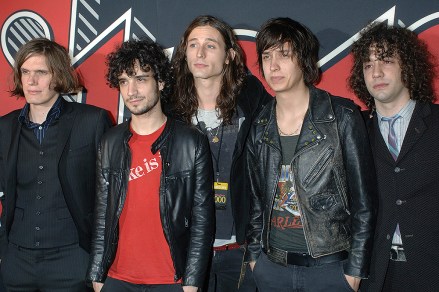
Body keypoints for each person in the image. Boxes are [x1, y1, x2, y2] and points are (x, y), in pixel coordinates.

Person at [244, 17, 377, 292]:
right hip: (272, 269)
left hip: (330, 270)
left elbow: (365, 203)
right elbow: (256, 202)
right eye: (267, 56)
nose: (273, 65)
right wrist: (255, 258)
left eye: (284, 54)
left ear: (303, 60)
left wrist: (353, 272)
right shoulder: (259, 125)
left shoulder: (341, 116)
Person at [86, 39, 215, 292]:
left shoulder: (191, 142)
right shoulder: (110, 142)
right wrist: (97, 276)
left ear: (161, 82)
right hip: (116, 279)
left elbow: (202, 221)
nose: (131, 90)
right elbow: (102, 215)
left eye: (141, 79)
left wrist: (191, 282)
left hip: (171, 281)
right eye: (124, 81)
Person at [0, 38, 112, 291]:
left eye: (41, 73)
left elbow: (110, 195)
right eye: (25, 72)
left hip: (72, 259)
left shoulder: (92, 121)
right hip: (16, 262)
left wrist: (97, 262)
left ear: (59, 75)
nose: (31, 81)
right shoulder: (4, 128)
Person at [171, 15, 272, 292]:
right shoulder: (169, 111)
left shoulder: (252, 99)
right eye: (193, 45)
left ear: (229, 56)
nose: (200, 53)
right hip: (186, 251)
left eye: (210, 45)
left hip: (241, 252)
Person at [348, 22, 439, 292]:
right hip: (373, 275)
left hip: (430, 271)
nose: (376, 72)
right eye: (367, 64)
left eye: (386, 60)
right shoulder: (354, 130)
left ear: (407, 67)